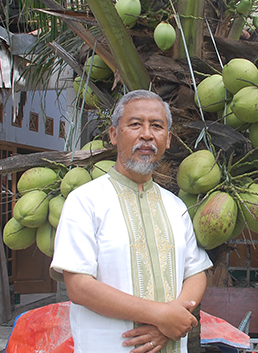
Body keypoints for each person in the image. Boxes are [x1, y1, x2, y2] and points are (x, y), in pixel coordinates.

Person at [51, 90, 213, 353]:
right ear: (114, 135)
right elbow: (79, 287)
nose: (147, 134)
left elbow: (196, 273)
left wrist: (170, 322)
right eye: (135, 124)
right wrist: (161, 316)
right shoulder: (85, 201)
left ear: (168, 139)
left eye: (157, 126)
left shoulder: (176, 207)